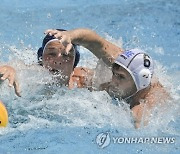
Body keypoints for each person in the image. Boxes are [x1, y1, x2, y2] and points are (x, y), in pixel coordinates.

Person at [44, 28, 170, 128]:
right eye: (114, 73)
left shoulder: (150, 104)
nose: (113, 81)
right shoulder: (119, 62)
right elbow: (94, 41)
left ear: (139, 83)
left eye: (120, 77)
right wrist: (70, 35)